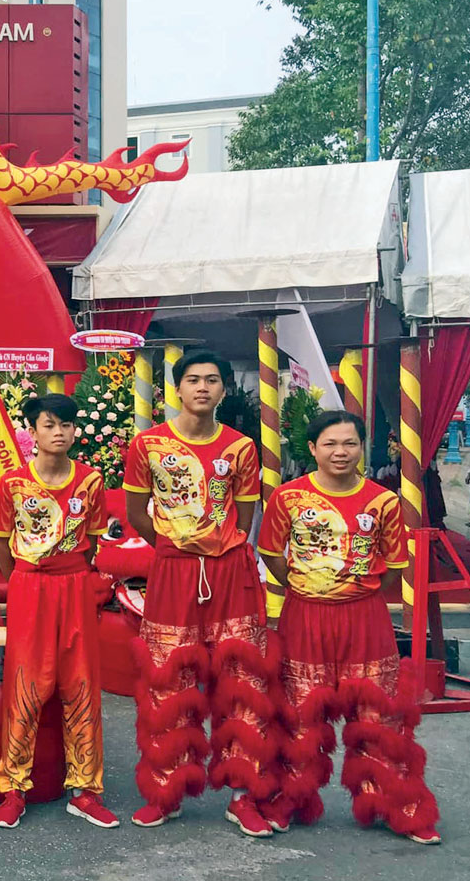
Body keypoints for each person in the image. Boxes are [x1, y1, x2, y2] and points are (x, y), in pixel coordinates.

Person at [256, 411, 441, 844]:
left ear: (362, 447)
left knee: (381, 715)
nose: (340, 453)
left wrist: (357, 592)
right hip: (304, 616)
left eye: (350, 444)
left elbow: (394, 567)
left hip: (366, 617)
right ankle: (289, 798)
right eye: (330, 444)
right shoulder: (287, 498)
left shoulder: (383, 501)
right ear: (314, 449)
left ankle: (399, 805)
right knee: (300, 712)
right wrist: (310, 588)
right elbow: (272, 554)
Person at [122, 350, 278, 837]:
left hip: (230, 572)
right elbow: (137, 513)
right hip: (173, 572)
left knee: (242, 683)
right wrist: (174, 548)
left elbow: (246, 517)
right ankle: (167, 792)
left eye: (213, 380)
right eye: (193, 380)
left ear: (224, 390)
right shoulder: (147, 446)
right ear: (178, 389)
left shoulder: (241, 449)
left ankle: (242, 794)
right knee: (170, 681)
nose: (203, 388)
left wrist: (216, 549)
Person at [0, 394, 117, 830]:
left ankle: (85, 790)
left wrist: (70, 573)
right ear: (34, 432)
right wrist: (24, 580)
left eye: (65, 424)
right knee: (25, 683)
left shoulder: (91, 481)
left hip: (76, 585)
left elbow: (95, 542)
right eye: (49, 424)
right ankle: (13, 787)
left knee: (81, 682)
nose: (59, 432)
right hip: (29, 587)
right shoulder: (12, 484)